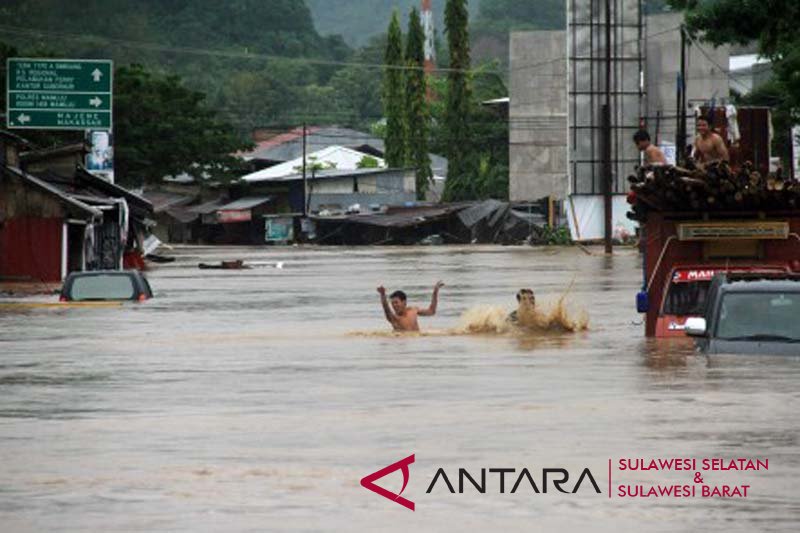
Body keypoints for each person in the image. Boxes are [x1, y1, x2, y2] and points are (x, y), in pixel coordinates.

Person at [377, 282, 444, 332]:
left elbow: (431, 311)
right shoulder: (395, 319)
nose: (394, 305)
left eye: (396, 303)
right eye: (392, 303)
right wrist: (382, 295)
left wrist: (435, 292)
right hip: (400, 342)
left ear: (404, 302)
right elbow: (386, 309)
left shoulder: (413, 311)